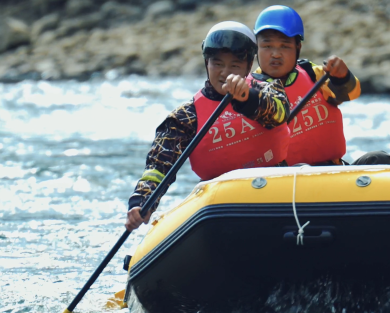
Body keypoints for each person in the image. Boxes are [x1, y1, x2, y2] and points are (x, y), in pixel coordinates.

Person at [124, 21, 290, 230]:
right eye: (217, 64)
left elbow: (280, 113)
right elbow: (159, 167)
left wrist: (247, 98)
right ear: (206, 63)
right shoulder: (185, 117)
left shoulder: (268, 88)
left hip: (275, 187)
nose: (225, 73)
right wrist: (141, 201)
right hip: (221, 202)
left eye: (235, 66)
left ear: (248, 66)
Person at [253, 5, 390, 166]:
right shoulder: (249, 91)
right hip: (287, 176)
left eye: (285, 46)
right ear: (256, 48)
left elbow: (351, 93)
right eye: (267, 46)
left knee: (380, 159)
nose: (276, 54)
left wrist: (342, 77)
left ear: (298, 47)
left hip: (332, 170)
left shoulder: (313, 74)